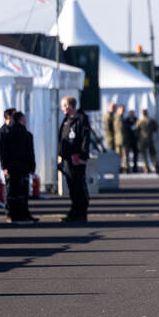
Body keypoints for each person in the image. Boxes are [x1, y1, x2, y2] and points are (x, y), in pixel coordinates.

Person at [0, 109, 36, 223]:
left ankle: (22, 213)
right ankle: (13, 214)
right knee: (14, 191)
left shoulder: (22, 133)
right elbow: (2, 151)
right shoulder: (5, 133)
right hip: (15, 167)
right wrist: (4, 166)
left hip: (18, 167)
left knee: (20, 191)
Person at [58, 95, 92, 223]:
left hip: (77, 158)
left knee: (79, 185)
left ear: (69, 106)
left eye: (63, 106)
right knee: (72, 186)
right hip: (67, 159)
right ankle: (74, 211)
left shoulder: (81, 119)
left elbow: (85, 138)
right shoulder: (66, 120)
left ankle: (81, 212)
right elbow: (62, 138)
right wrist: (60, 155)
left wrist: (83, 156)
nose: (62, 109)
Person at [135, 108, 157, 173]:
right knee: (152, 153)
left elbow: (136, 130)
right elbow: (156, 128)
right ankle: (154, 166)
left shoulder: (139, 121)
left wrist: (138, 137)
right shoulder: (151, 120)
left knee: (143, 154)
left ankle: (145, 167)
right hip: (150, 139)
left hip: (142, 140)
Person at [112, 103, 128, 172]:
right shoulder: (117, 117)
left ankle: (125, 167)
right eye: (122, 110)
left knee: (125, 155)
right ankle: (119, 167)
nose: (123, 111)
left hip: (122, 139)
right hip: (119, 139)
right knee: (119, 155)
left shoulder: (121, 117)